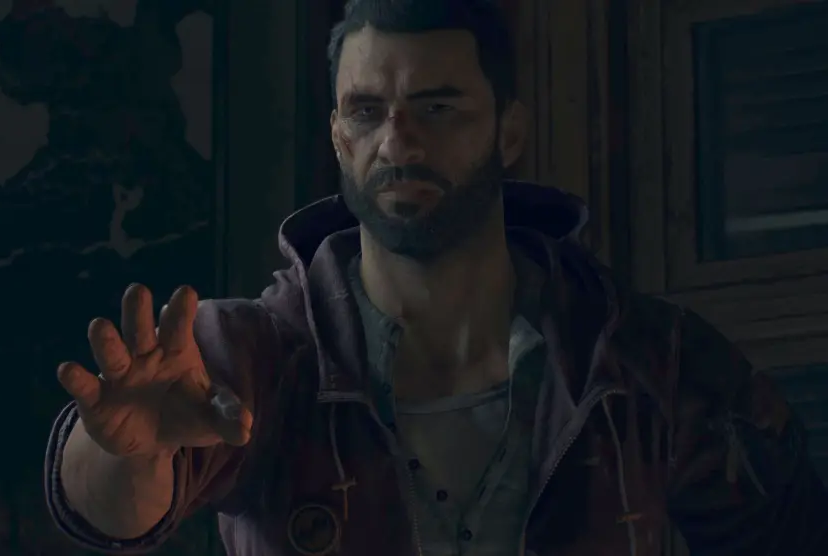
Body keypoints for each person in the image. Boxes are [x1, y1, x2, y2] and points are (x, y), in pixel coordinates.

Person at [44, 0, 828, 554]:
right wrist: (125, 453)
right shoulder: (255, 353)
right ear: (337, 136)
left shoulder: (646, 359)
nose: (397, 142)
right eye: (366, 112)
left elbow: (789, 529)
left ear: (509, 131)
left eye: (438, 107)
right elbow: (111, 513)